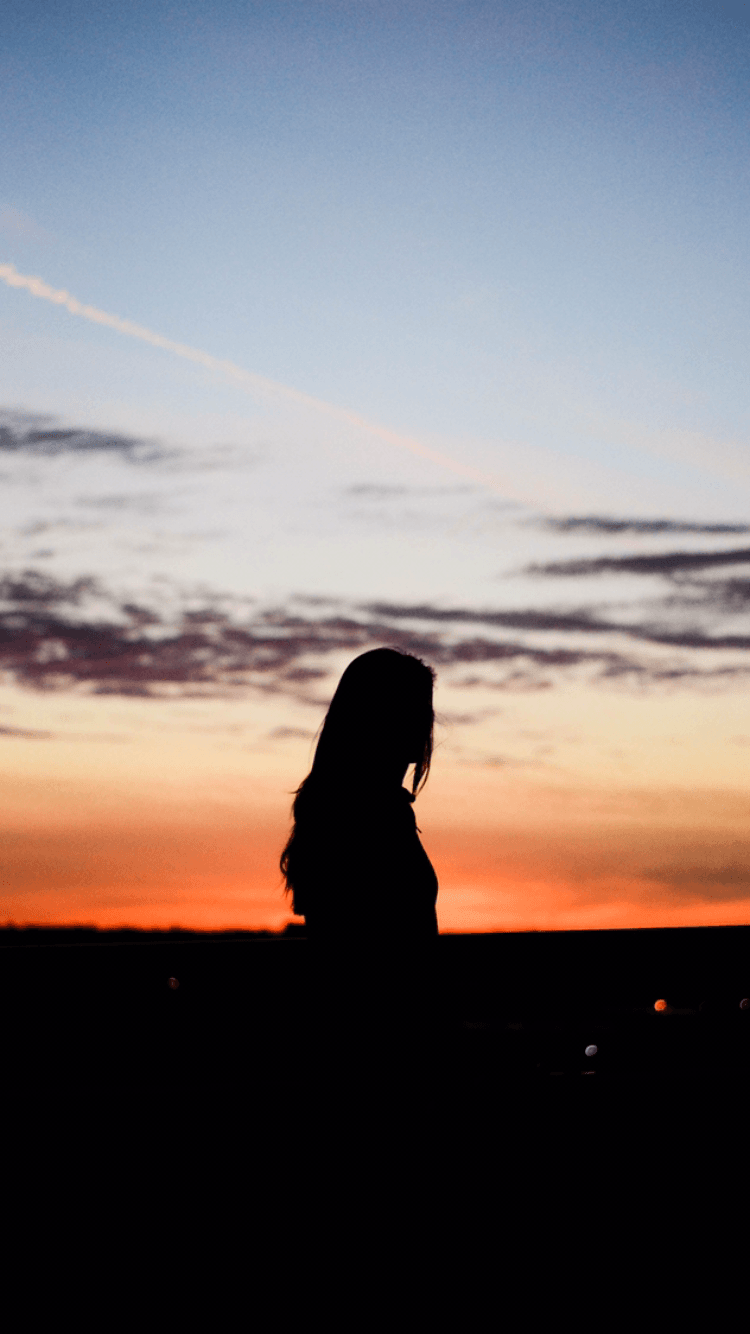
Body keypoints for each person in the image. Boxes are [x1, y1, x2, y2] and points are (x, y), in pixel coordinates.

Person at [279, 647, 440, 1070]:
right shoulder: (367, 814)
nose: (423, 725)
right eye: (410, 708)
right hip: (378, 1042)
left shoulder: (350, 806)